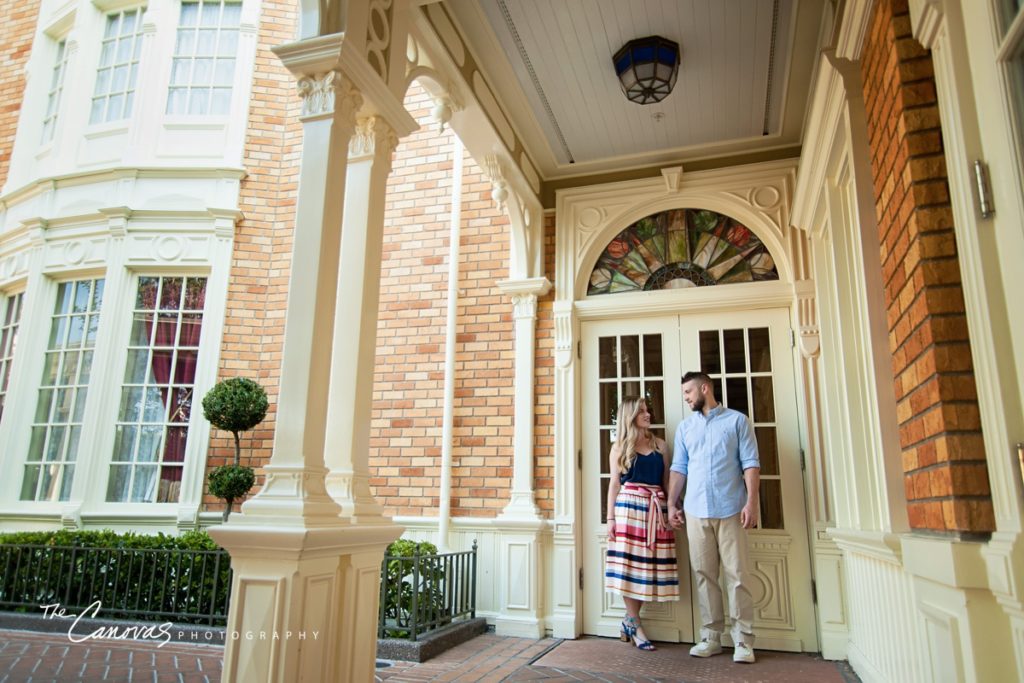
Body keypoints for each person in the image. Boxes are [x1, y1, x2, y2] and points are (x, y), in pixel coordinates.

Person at [668, 371, 760, 664]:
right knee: (704, 575)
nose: (685, 398)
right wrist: (671, 503)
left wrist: (752, 503)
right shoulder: (684, 428)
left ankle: (743, 641)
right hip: (695, 511)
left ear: (704, 388)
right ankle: (711, 636)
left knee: (737, 575)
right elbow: (679, 467)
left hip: (731, 507)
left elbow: (751, 463)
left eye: (688, 392)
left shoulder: (737, 421)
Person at [604, 396, 679, 651]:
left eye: (648, 410)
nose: (648, 415)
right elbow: (614, 484)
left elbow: (667, 480)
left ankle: (629, 621)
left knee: (646, 568)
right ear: (630, 416)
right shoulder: (619, 447)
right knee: (630, 568)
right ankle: (635, 624)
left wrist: (672, 509)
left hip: (655, 509)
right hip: (628, 509)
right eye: (642, 412)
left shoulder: (660, 445)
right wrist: (610, 518)